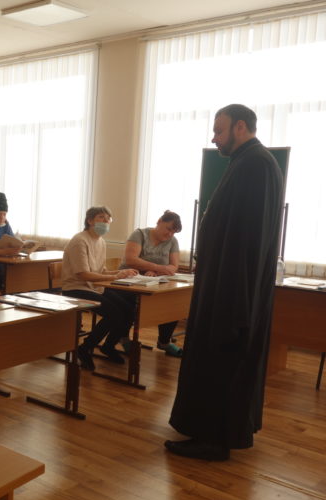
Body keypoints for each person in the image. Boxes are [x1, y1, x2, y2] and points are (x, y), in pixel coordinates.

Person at [166, 104, 284, 461]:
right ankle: (207, 429)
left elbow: (245, 240)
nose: (214, 138)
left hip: (231, 291)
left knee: (222, 361)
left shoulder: (256, 165)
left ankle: (214, 440)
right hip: (225, 284)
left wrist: (233, 303)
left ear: (240, 127)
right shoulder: (247, 162)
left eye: (219, 130)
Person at [60, 206, 138, 370]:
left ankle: (108, 346)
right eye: (101, 217)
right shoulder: (80, 241)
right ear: (90, 220)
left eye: (108, 218)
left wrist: (122, 273)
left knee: (129, 310)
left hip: (93, 286)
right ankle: (85, 348)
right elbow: (83, 274)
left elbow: (101, 271)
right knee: (114, 314)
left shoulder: (101, 241)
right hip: (75, 288)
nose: (106, 221)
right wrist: (114, 277)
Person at [121, 210, 183, 356]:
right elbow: (131, 260)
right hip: (129, 280)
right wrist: (158, 268)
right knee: (129, 305)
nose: (170, 234)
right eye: (168, 229)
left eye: (174, 232)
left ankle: (164, 341)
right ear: (159, 221)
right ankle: (123, 337)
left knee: (175, 304)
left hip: (155, 281)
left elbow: (173, 266)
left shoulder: (172, 241)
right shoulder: (139, 234)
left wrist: (155, 272)